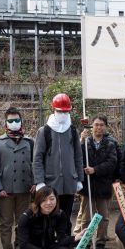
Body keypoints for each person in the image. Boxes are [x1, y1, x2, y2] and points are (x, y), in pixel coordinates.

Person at [14, 186, 85, 249]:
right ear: (38, 200)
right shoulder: (26, 217)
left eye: (52, 199)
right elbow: (24, 245)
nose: (48, 203)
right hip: (28, 248)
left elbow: (61, 239)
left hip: (48, 245)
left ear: (56, 199)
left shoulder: (60, 214)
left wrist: (75, 238)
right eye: (44, 200)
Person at [0, 107, 35, 249]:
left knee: (22, 223)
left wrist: (35, 182)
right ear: (5, 122)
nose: (14, 123)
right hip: (6, 190)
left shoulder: (30, 141)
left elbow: (35, 163)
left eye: (17, 120)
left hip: (25, 189)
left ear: (21, 121)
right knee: (6, 224)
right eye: (11, 120)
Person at [32, 93, 84, 227]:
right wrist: (39, 181)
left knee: (66, 218)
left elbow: (78, 156)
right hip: (50, 183)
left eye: (66, 112)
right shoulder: (44, 131)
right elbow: (37, 158)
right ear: (54, 110)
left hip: (69, 183)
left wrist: (79, 178)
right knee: (48, 218)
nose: (63, 114)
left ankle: (65, 244)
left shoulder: (72, 130)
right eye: (60, 111)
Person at [73, 115, 118, 249]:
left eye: (101, 125)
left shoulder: (110, 144)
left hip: (103, 185)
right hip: (88, 186)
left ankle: (100, 242)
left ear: (105, 127)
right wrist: (80, 141)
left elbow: (112, 163)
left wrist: (95, 170)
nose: (98, 127)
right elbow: (77, 158)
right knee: (86, 217)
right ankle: (85, 241)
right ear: (92, 126)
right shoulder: (85, 143)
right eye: (96, 124)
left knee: (103, 216)